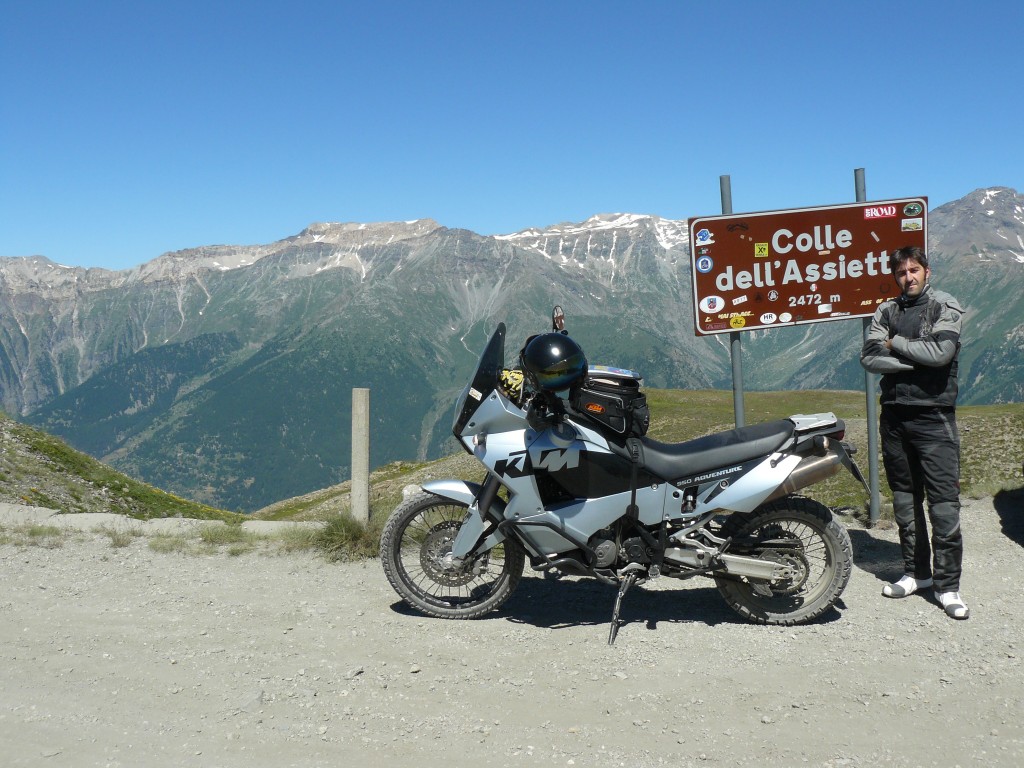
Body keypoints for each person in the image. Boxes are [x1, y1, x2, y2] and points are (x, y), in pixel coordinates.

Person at [860, 245, 968, 620]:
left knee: (942, 505)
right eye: (902, 272)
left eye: (914, 270)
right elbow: (869, 358)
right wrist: (913, 362)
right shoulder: (886, 310)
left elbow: (941, 355)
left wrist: (897, 344)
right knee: (905, 501)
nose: (908, 277)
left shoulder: (944, 305)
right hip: (894, 418)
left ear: (927, 271)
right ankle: (916, 572)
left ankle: (948, 586)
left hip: (934, 417)